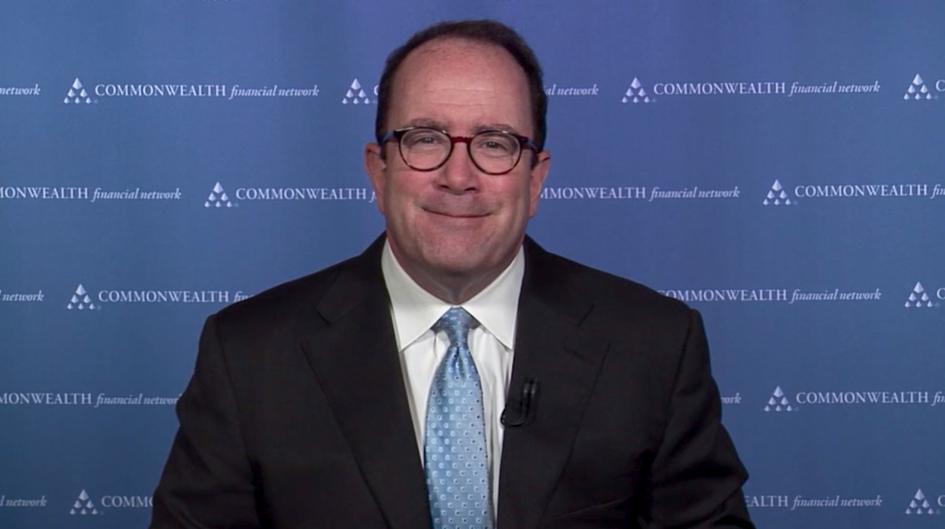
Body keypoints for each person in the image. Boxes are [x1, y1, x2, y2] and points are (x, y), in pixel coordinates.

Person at [150, 19, 755, 529]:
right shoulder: (250, 355)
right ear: (378, 171)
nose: (458, 177)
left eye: (494, 143)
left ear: (535, 179)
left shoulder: (653, 344)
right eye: (425, 139)